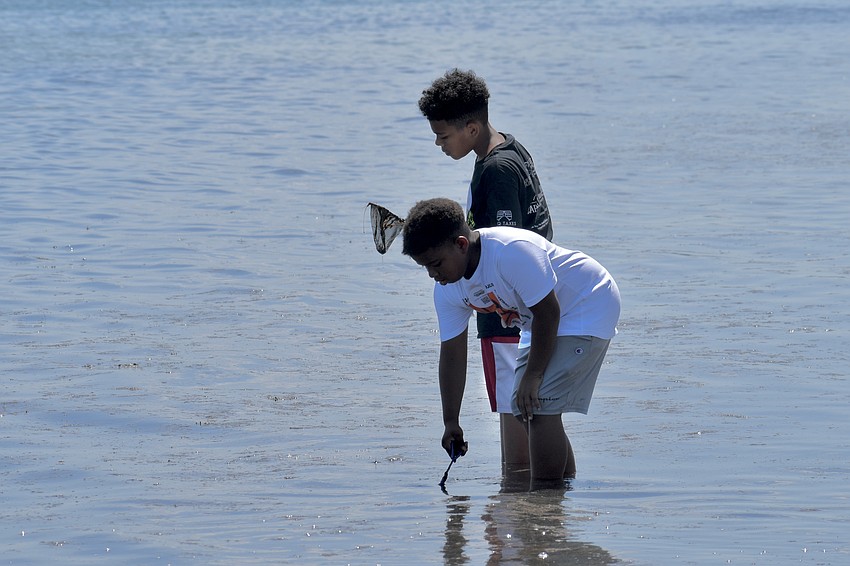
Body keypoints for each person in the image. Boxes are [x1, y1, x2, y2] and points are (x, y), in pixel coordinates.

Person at [402, 198, 620, 488]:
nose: (433, 274)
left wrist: (534, 374)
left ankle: (545, 500)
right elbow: (452, 355)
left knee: (538, 403)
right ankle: (562, 492)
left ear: (461, 244)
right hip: (538, 320)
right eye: (425, 268)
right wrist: (450, 421)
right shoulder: (447, 290)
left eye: (436, 264)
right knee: (523, 406)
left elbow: (548, 312)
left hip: (586, 302)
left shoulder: (510, 252)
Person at [418, 69, 554, 475]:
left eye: (443, 136)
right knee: (538, 419)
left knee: (517, 448)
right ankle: (545, 509)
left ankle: (522, 515)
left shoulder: (494, 172)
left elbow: (500, 248)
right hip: (530, 307)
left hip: (507, 319)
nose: (439, 144)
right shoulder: (511, 149)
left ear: (471, 127)